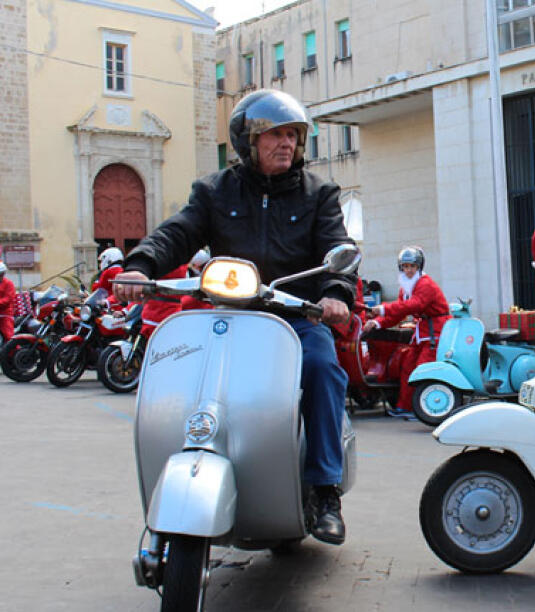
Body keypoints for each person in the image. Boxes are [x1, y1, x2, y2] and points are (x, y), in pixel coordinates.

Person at [112, 89, 356, 546]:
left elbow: (336, 247)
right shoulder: (214, 190)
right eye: (274, 135)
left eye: (292, 135)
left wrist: (336, 294)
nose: (286, 143)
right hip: (229, 315)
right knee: (183, 372)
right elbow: (178, 233)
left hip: (294, 317)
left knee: (323, 368)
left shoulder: (318, 194)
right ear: (248, 140)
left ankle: (326, 491)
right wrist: (139, 265)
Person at [362, 246, 450, 418]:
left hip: (436, 332)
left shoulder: (426, 284)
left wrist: (382, 310)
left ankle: (422, 409)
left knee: (423, 369)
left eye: (412, 266)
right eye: (405, 266)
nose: (408, 270)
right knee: (408, 366)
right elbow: (400, 312)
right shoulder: (406, 287)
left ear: (419, 267)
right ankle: (406, 407)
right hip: (422, 332)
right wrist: (376, 322)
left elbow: (414, 305)